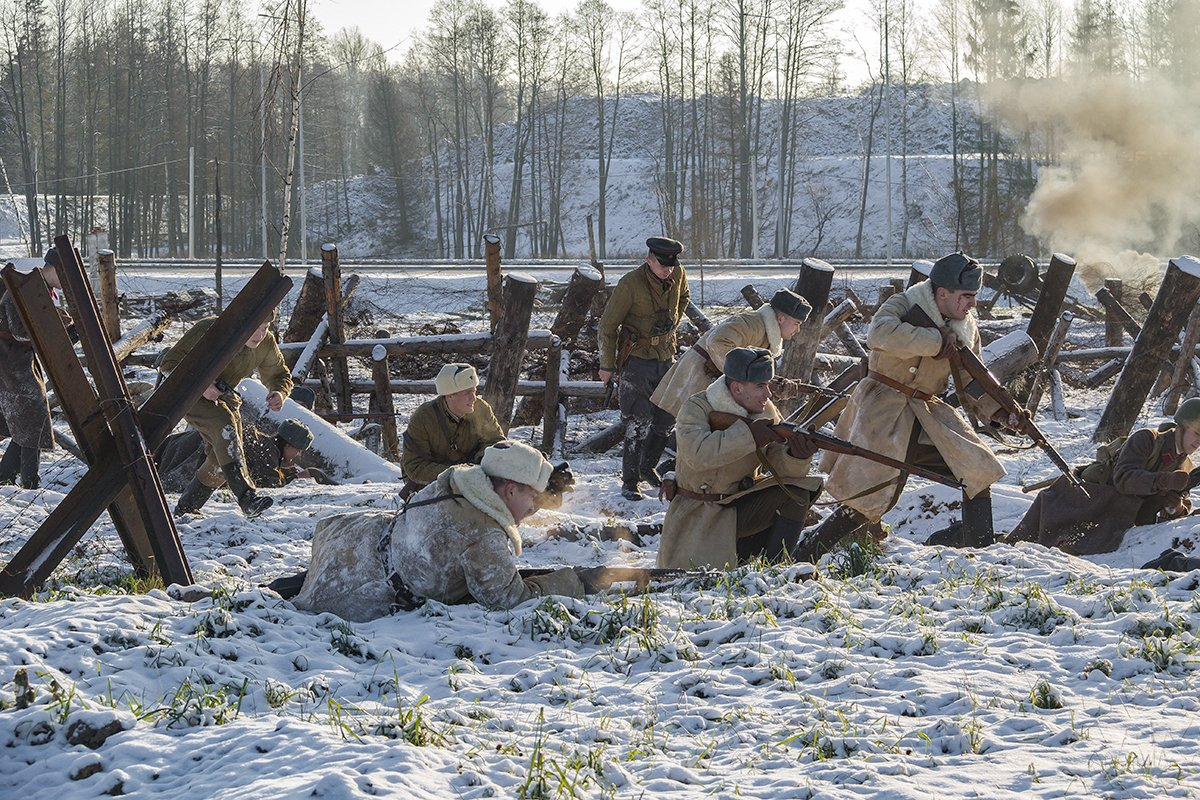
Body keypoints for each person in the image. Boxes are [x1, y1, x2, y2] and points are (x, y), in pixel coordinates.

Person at [795, 252, 1009, 562]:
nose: (972, 303)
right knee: (867, 498)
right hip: (883, 411)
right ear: (942, 293)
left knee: (977, 471)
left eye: (974, 296)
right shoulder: (903, 304)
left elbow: (972, 379)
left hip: (928, 414)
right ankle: (807, 554)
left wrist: (1001, 413)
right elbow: (879, 334)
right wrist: (935, 341)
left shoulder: (966, 326)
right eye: (966, 296)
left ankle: (982, 556)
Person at [291, 440, 585, 620]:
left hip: (355, 540)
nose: (534, 507)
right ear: (509, 490)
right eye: (532, 498)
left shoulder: (460, 480)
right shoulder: (484, 534)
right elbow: (508, 599)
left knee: (295, 583)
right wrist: (574, 582)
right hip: (365, 591)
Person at [656, 347, 823, 570]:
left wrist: (796, 456)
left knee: (797, 493)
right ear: (737, 388)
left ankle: (777, 570)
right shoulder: (696, 408)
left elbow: (778, 466)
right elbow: (698, 455)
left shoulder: (765, 410)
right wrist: (749, 435)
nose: (768, 394)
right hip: (699, 514)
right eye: (760, 386)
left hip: (738, 506)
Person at [1006, 399, 1200, 555]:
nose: (1199, 442)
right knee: (1031, 547)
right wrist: (1163, 480)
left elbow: (1181, 506)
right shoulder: (1147, 439)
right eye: (1197, 433)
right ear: (1182, 426)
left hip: (1116, 519)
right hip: (1086, 501)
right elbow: (1124, 479)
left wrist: (1175, 506)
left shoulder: (1186, 465)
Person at [160, 314, 293, 517]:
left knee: (222, 459)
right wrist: (203, 385)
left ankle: (185, 510)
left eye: (265, 327)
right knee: (225, 425)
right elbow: (169, 364)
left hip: (225, 397)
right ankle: (247, 497)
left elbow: (279, 374)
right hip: (187, 392)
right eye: (255, 327)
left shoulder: (266, 342)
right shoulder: (210, 329)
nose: (260, 334)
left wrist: (278, 392)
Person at [598, 236, 691, 500]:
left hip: (666, 356)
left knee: (665, 418)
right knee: (638, 421)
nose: (668, 270)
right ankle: (630, 482)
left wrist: (671, 324)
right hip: (637, 359)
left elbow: (684, 296)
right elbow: (607, 326)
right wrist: (606, 365)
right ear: (648, 259)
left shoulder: (678, 272)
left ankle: (646, 467)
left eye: (672, 265)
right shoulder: (630, 284)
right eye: (663, 265)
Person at [649, 288, 812, 419]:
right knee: (665, 427)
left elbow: (750, 370)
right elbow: (717, 342)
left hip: (709, 384)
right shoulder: (751, 324)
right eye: (796, 323)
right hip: (695, 376)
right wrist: (748, 378)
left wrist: (773, 383)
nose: (797, 330)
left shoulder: (765, 333)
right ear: (781, 318)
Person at [0, 250, 67, 489]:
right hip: (9, 361)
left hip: (20, 360)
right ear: (51, 268)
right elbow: (19, 330)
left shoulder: (43, 289)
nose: (66, 281)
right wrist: (56, 328)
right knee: (33, 415)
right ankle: (28, 480)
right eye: (64, 274)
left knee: (31, 418)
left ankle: (8, 475)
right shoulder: (24, 287)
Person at [400, 362, 505, 498]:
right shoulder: (423, 418)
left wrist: (479, 463)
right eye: (467, 393)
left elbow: (496, 443)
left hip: (474, 478)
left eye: (474, 391)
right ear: (449, 395)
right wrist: (455, 474)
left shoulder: (482, 409)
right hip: (432, 484)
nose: (474, 398)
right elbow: (414, 466)